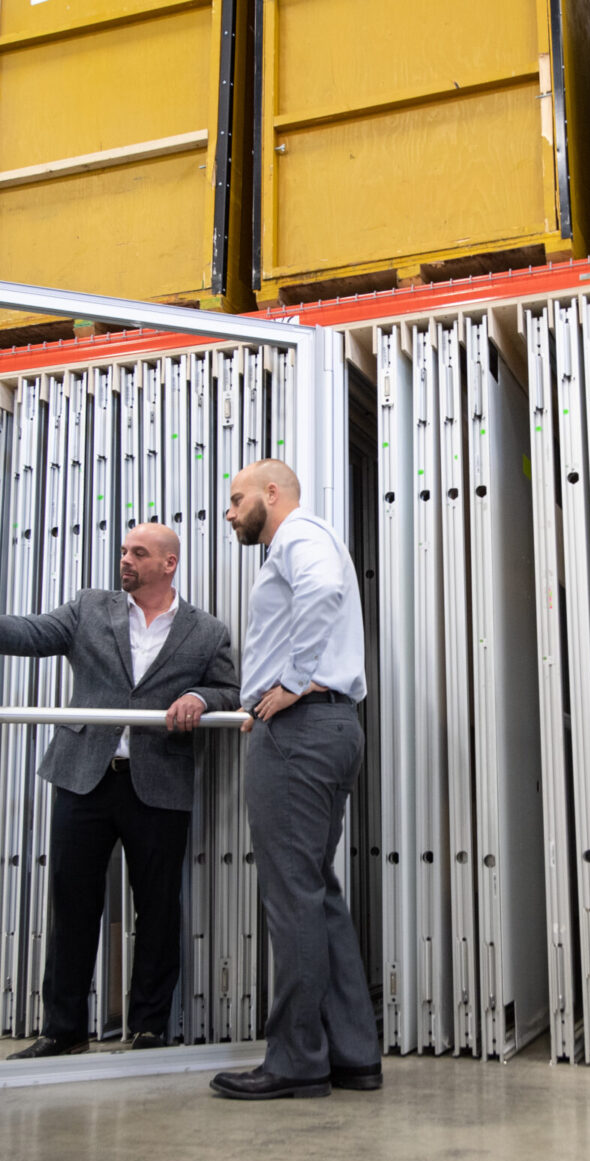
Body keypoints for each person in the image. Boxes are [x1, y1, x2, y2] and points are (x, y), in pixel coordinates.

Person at [0, 523, 239, 1057]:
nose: (125, 559)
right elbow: (37, 632)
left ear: (169, 563)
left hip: (158, 786)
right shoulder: (90, 607)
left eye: (138, 553)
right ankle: (63, 1030)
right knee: (71, 906)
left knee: (157, 909)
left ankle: (149, 1028)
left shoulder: (206, 631)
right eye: (123, 551)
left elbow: (228, 689)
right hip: (83, 777)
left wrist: (201, 698)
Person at [210, 459, 381, 1100]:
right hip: (327, 728)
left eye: (236, 499)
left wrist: (286, 683)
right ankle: (353, 1055)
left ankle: (297, 1060)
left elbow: (322, 591)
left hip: (301, 731)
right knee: (315, 895)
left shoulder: (298, 537)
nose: (229, 513)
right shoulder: (308, 539)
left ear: (271, 494)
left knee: (292, 901)